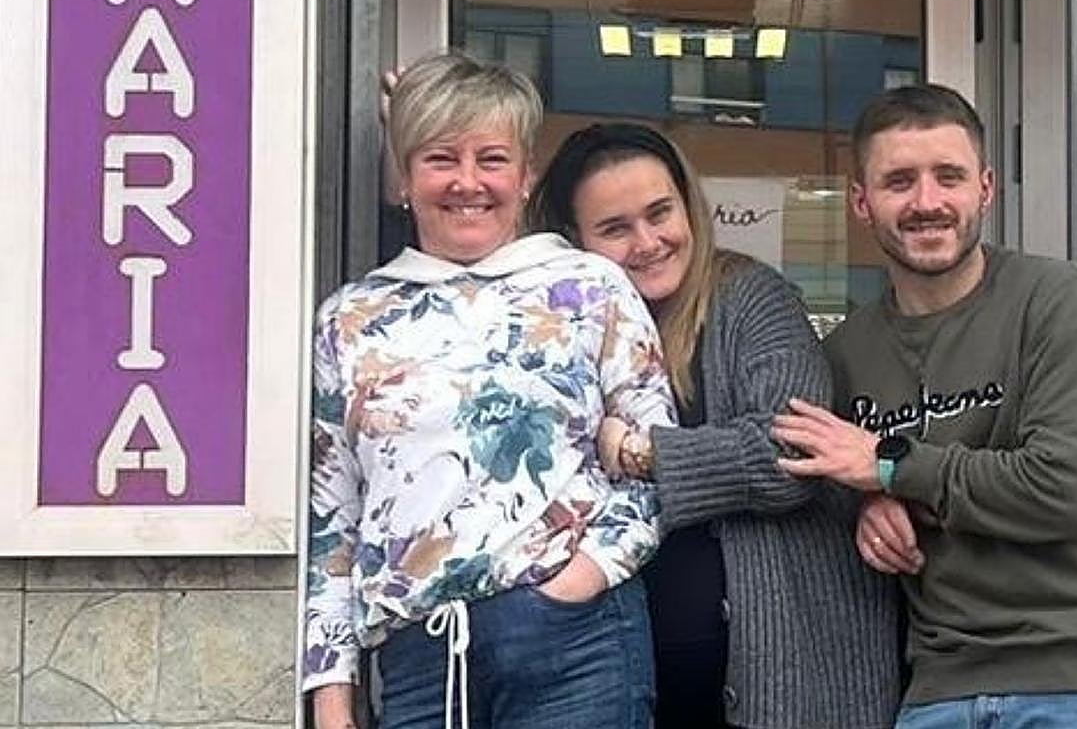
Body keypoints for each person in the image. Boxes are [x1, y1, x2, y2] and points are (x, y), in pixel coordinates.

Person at [772, 83, 1077, 728]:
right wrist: (866, 504)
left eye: (949, 177)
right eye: (899, 181)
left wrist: (887, 466)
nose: (926, 202)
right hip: (938, 688)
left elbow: (1062, 488)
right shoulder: (848, 352)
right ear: (861, 202)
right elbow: (838, 478)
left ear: (985, 189)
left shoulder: (1060, 302)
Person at [303, 52, 675, 729]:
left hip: (577, 642)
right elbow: (334, 517)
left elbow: (659, 456)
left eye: (492, 159)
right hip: (420, 657)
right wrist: (331, 690)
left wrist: (579, 581)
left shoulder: (590, 288)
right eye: (441, 158)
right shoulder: (349, 320)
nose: (468, 183)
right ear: (404, 178)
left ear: (527, 175)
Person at [529, 122, 902, 729]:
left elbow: (791, 454)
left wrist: (643, 454)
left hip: (782, 684)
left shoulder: (751, 298)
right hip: (631, 676)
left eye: (659, 213)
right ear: (576, 240)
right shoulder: (567, 333)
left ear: (690, 206)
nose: (647, 241)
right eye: (615, 229)